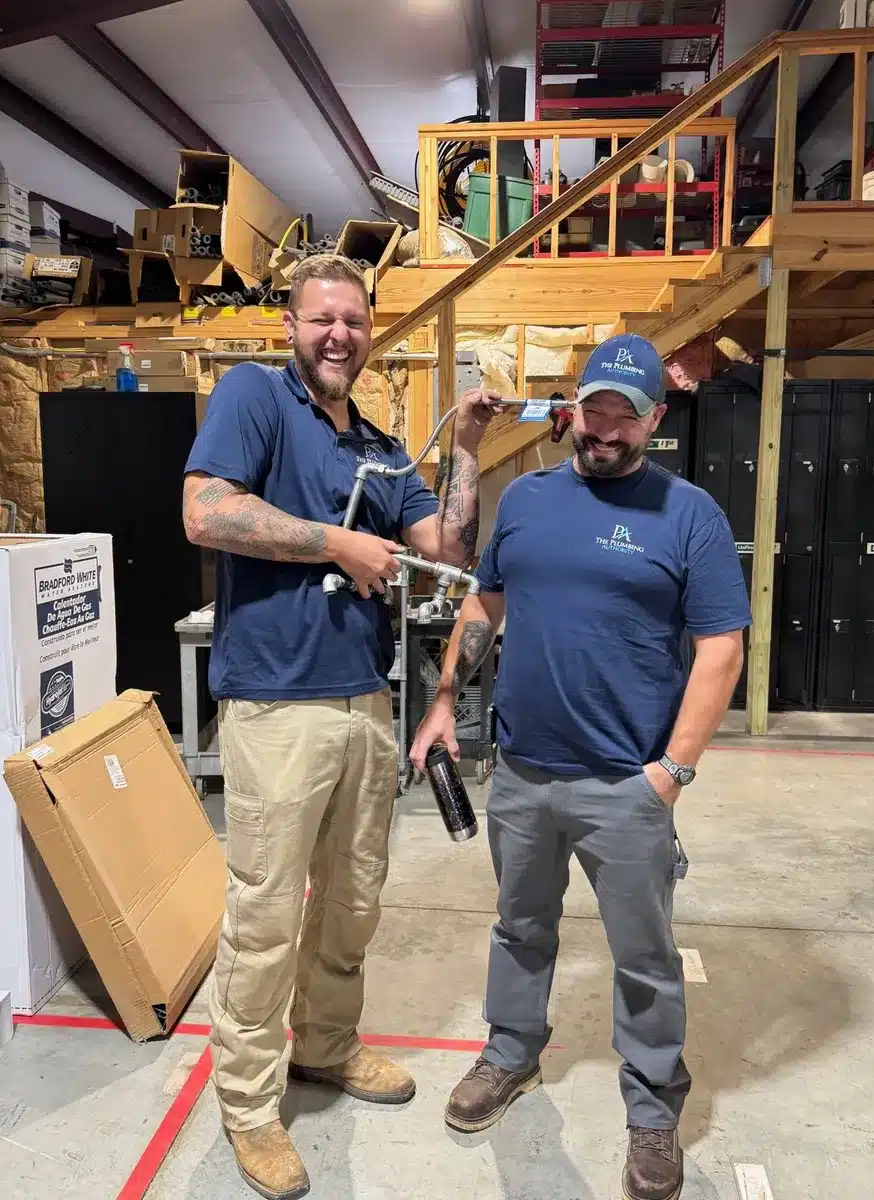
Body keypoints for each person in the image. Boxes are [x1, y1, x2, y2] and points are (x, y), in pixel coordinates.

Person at [183, 255, 499, 1200]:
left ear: (370, 332)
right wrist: (334, 541)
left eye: (355, 323)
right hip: (275, 705)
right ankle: (247, 1106)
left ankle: (324, 1046)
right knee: (267, 916)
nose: (339, 336)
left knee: (353, 903)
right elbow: (204, 513)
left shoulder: (375, 438)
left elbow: (446, 546)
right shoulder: (254, 397)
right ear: (291, 325)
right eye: (322, 320)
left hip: (365, 697)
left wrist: (472, 449)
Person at [410, 332, 751, 1200]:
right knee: (521, 927)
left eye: (623, 418)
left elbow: (721, 649)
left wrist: (671, 773)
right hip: (524, 771)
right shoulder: (524, 501)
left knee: (644, 955)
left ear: (653, 420)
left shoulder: (690, 516)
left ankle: (651, 1112)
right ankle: (509, 1055)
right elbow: (488, 599)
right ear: (576, 408)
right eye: (594, 411)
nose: (604, 431)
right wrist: (447, 697)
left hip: (626, 784)